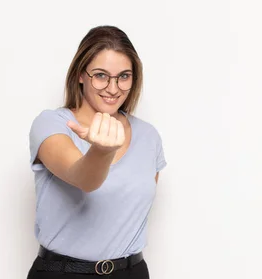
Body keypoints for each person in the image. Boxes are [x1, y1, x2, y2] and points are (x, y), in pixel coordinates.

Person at [26, 25, 167, 279]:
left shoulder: (149, 137)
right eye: (101, 75)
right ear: (81, 74)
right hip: (63, 273)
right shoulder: (52, 124)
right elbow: (84, 179)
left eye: (124, 76)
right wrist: (102, 151)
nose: (113, 89)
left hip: (131, 272)